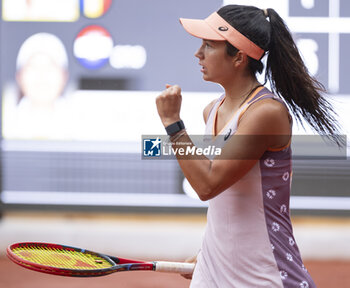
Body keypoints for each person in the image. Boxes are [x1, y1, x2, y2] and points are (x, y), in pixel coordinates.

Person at [156, 4, 341, 288]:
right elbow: (226, 201)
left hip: (264, 277)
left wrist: (173, 124)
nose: (198, 53)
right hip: (214, 274)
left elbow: (207, 185)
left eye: (209, 45)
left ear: (239, 57)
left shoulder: (266, 114)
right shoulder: (211, 111)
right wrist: (211, 255)